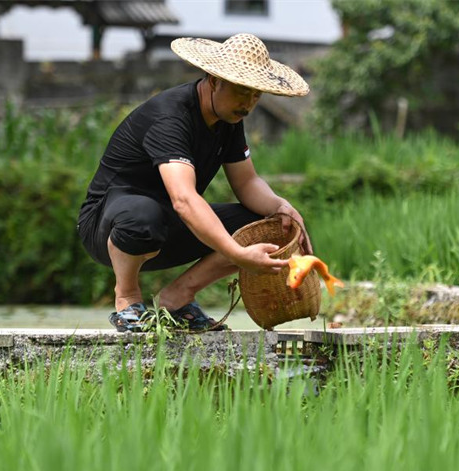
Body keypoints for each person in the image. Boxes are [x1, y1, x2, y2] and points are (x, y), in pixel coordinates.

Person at [77, 33, 313, 332]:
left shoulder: (229, 119)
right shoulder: (171, 116)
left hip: (170, 223)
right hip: (107, 226)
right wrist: (237, 254)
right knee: (142, 216)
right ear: (214, 80)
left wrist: (282, 207)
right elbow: (184, 199)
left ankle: (178, 297)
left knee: (266, 222)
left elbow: (248, 182)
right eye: (242, 91)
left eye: (256, 95)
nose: (248, 104)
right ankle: (127, 297)